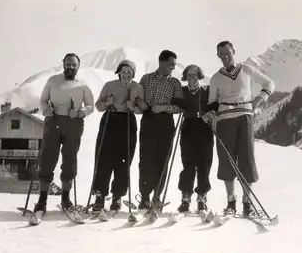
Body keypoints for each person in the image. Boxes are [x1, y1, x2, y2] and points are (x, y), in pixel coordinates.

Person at [204, 40, 275, 217]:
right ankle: (231, 201)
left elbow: (269, 84)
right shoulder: (215, 78)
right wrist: (210, 114)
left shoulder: (247, 70)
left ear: (234, 51)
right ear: (218, 56)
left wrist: (259, 100)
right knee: (227, 159)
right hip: (224, 119)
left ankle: (247, 202)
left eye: (228, 53)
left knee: (247, 158)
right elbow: (212, 102)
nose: (225, 57)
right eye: (221, 54)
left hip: (245, 117)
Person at [32, 53, 95, 217]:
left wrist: (81, 111)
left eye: (74, 65)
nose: (70, 67)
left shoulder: (82, 84)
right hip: (53, 121)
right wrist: (46, 110)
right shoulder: (53, 81)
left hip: (74, 123)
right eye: (68, 64)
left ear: (78, 66)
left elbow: (91, 106)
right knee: (48, 157)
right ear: (63, 64)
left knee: (70, 158)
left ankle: (66, 199)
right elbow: (43, 100)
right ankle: (42, 200)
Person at [91, 60, 147, 212]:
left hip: (127, 121)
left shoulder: (138, 87)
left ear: (133, 74)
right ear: (119, 72)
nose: (126, 74)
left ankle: (117, 197)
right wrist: (106, 103)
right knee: (104, 158)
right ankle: (99, 196)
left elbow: (143, 109)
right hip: (110, 120)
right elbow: (98, 106)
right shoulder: (109, 85)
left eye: (130, 72)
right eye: (124, 71)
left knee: (124, 160)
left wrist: (133, 107)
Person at [137, 50, 183, 210]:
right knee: (146, 159)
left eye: (174, 65)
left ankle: (157, 197)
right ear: (161, 62)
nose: (173, 67)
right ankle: (144, 197)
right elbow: (139, 99)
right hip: (148, 120)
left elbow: (179, 107)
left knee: (162, 160)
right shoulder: (146, 78)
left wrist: (164, 107)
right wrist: (142, 105)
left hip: (166, 121)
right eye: (171, 64)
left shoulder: (175, 83)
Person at [170, 65, 214, 213]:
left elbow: (215, 106)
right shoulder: (182, 91)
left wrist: (210, 114)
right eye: (189, 75)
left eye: (195, 75)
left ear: (199, 76)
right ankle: (185, 197)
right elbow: (175, 104)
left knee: (204, 163)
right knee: (188, 164)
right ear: (185, 76)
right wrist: (188, 111)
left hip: (205, 128)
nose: (192, 78)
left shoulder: (206, 90)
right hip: (188, 128)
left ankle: (202, 197)